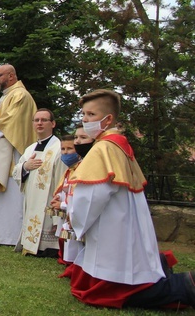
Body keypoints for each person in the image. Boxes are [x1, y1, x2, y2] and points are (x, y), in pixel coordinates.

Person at [66, 89, 195, 309]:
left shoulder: (103, 148)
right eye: (84, 115)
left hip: (112, 224)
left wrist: (74, 219)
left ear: (108, 119)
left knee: (116, 289)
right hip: (124, 219)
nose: (85, 120)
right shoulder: (119, 144)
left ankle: (185, 285)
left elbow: (91, 197)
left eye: (90, 115)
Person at [0, 64, 37, 245]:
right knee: (0, 194)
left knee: (11, 192)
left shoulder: (19, 95)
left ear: (11, 76)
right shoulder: (7, 96)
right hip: (0, 151)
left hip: (12, 154)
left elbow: (12, 121)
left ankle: (9, 235)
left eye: (0, 75)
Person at [12, 108, 67, 257]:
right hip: (32, 197)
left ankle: (49, 247)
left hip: (49, 198)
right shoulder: (30, 149)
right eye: (36, 120)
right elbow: (16, 171)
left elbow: (63, 177)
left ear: (53, 123)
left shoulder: (59, 148)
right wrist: (25, 167)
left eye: (44, 120)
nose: (39, 123)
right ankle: (30, 244)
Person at [50, 125, 93, 265]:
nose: (65, 152)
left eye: (69, 149)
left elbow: (78, 196)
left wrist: (62, 204)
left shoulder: (81, 168)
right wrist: (59, 198)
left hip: (74, 212)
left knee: (76, 245)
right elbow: (66, 190)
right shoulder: (70, 170)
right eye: (63, 149)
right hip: (68, 212)